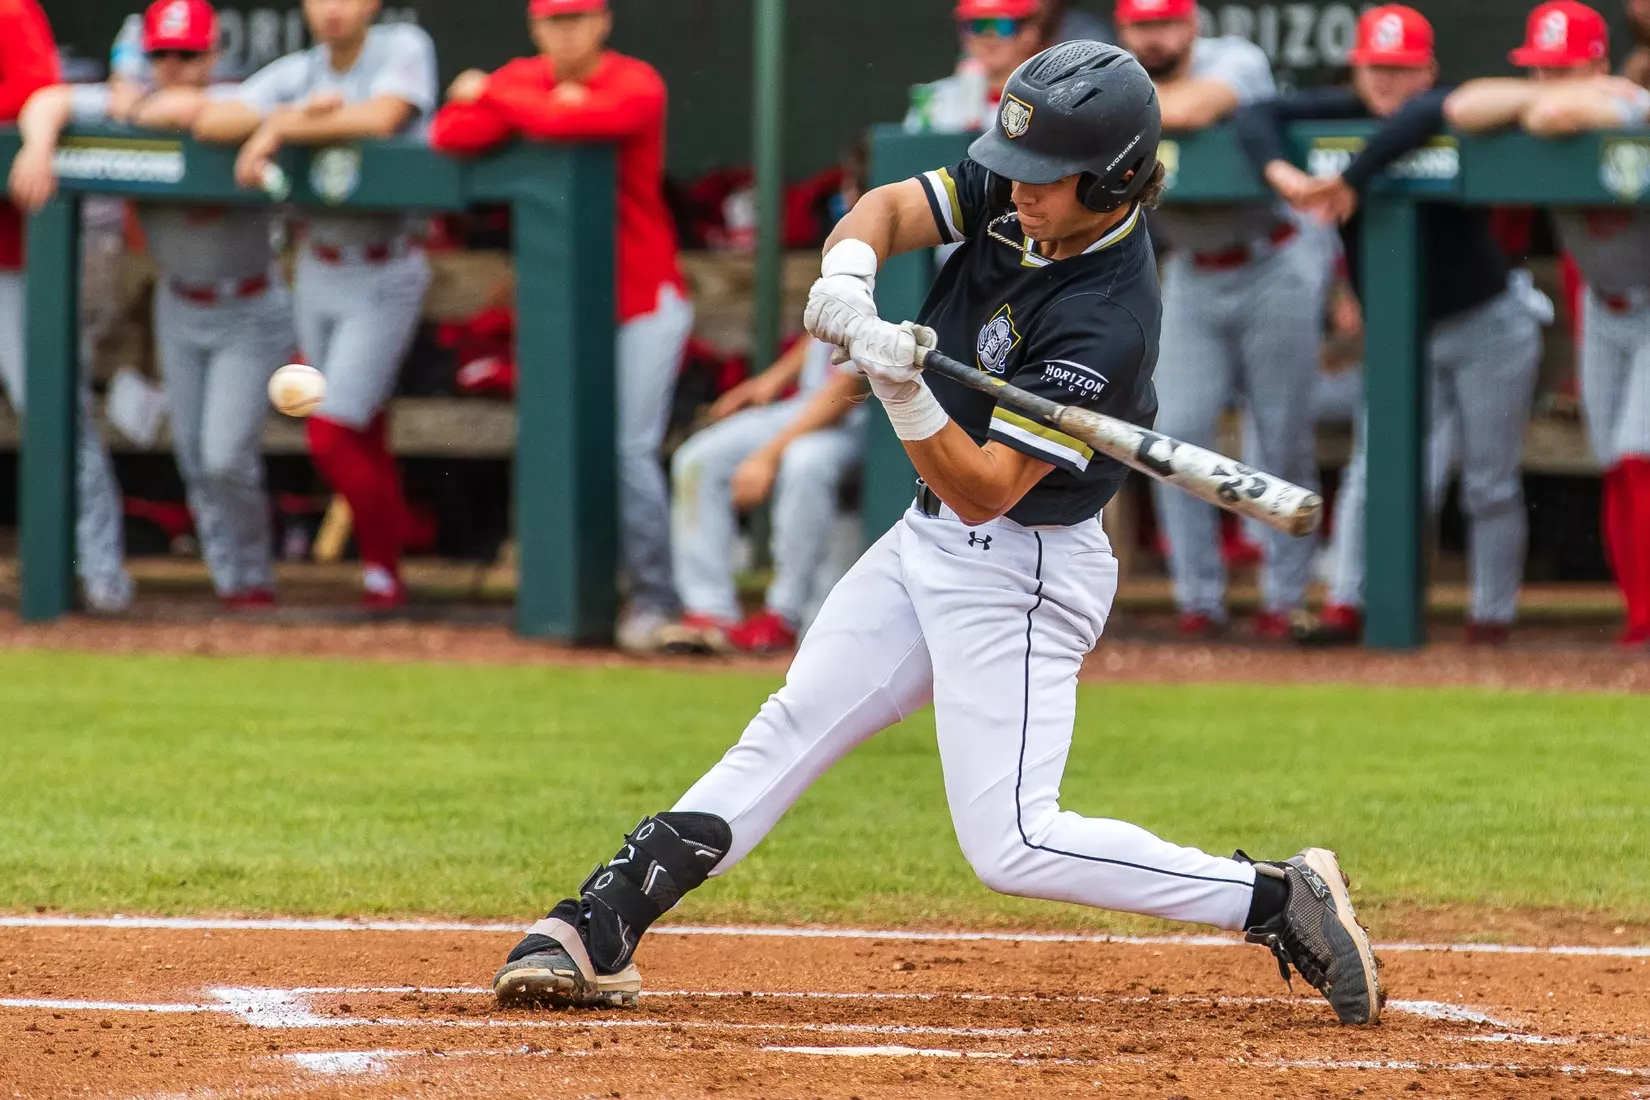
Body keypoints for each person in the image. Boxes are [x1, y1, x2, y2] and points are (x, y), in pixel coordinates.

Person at [487, 43, 1383, 1028]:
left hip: (1024, 570)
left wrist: (900, 387)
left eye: (1046, 180)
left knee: (1013, 842)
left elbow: (986, 491)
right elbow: (890, 209)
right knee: (790, 724)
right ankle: (598, 918)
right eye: (1016, 167)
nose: (1018, 189)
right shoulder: (1023, 179)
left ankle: (1276, 896)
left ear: (1116, 177)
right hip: (926, 544)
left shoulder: (1106, 318)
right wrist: (850, 277)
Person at [1234, 5, 1544, 646]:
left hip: (1488, 321)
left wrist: (1350, 176)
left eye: (1402, 69)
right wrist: (1284, 175)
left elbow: (1425, 114)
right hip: (1404, 334)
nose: (1387, 81)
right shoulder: (1340, 108)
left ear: (1426, 68)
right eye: (1377, 66)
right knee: (1376, 468)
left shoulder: (1445, 109)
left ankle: (1492, 617)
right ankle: (1348, 602)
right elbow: (1253, 115)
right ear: (1358, 67)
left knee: (1489, 482)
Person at [12, 0, 294, 611]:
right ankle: (232, 584)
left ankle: (252, 579)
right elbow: (48, 100)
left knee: (224, 455)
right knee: (196, 457)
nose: (174, 66)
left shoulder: (236, 99)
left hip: (249, 303)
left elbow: (205, 112)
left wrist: (138, 102)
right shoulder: (130, 99)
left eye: (188, 54)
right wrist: (37, 147)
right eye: (162, 54)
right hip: (177, 302)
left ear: (213, 55)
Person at [429, 0, 692, 652]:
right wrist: (524, 99)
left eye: (577, 17)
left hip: (645, 297)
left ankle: (655, 601)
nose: (565, 30)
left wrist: (494, 92)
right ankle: (579, 594)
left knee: (628, 449)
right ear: (534, 26)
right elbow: (450, 132)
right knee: (561, 448)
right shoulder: (530, 77)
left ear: (602, 21)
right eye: (553, 20)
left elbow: (581, 117)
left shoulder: (637, 80)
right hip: (569, 309)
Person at [193, 0, 438, 613]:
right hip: (318, 265)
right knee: (362, 426)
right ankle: (386, 569)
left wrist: (277, 130)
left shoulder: (403, 45)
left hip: (384, 262)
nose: (333, 9)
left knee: (331, 432)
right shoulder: (300, 72)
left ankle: (390, 557)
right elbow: (214, 122)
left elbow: (383, 117)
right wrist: (294, 112)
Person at [1115, 0, 1329, 640]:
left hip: (1274, 258)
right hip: (1191, 269)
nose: (1155, 38)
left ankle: (1284, 597)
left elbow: (1194, 107)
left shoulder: (1236, 57)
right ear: (1124, 29)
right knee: (1172, 434)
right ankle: (1198, 599)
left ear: (1193, 24)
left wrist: (1107, 106)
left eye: (1167, 23)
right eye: (1141, 26)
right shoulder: (1117, 69)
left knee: (1281, 434)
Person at [1445, 0, 1650, 647]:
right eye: (1540, 69)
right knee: (1612, 456)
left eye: (1564, 68)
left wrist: (1590, 93)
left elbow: (1564, 113)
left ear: (1596, 62)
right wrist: (1545, 92)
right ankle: (1638, 614)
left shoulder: (1628, 106)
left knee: (1639, 454)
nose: (1548, 84)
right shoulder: (1566, 97)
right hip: (1604, 300)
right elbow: (1463, 107)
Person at [0, 0, 134, 614]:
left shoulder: (11, 13)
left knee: (51, 409)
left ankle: (98, 571)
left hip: (21, 258)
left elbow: (33, 94)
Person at [660, 338, 866, 655]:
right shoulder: (843, 285)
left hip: (864, 417)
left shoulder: (888, 290)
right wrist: (769, 381)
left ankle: (784, 614)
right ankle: (709, 613)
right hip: (808, 403)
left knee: (804, 463)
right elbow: (828, 331)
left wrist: (767, 457)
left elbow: (850, 388)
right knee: (697, 460)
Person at [905, 0, 1049, 134]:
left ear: (1029, 34)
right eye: (976, 25)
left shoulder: (1049, 102)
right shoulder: (933, 100)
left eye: (1001, 25)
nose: (988, 36)